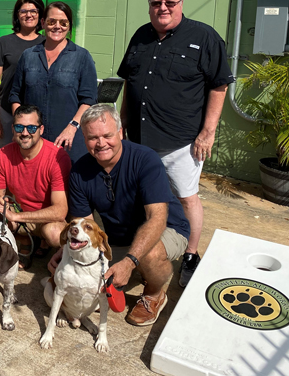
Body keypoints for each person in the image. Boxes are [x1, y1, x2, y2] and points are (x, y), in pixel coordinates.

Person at [117, 0, 234, 287]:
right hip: (140, 140)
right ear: (150, 6)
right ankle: (148, 248)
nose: (163, 8)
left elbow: (219, 85)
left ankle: (191, 254)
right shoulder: (141, 36)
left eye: (169, 2)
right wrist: (123, 120)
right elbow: (130, 80)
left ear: (181, 4)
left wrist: (207, 132)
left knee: (185, 199)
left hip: (181, 142)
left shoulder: (205, 37)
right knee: (143, 199)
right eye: (156, 3)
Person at [53, 104, 190, 326]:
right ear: (85, 138)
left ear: (120, 132)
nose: (101, 143)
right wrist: (68, 251)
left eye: (107, 135)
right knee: (86, 271)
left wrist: (130, 261)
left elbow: (157, 217)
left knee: (150, 254)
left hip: (167, 227)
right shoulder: (80, 171)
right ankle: (137, 264)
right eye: (92, 137)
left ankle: (154, 294)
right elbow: (85, 224)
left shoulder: (145, 159)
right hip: (119, 237)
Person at [9, 1, 97, 165]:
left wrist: (72, 127)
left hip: (68, 141)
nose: (57, 26)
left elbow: (89, 99)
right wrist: (19, 125)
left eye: (63, 23)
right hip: (33, 140)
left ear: (69, 26)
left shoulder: (82, 57)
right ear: (43, 23)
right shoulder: (28, 56)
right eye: (51, 21)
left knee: (67, 187)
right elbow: (15, 94)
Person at [0, 104, 71, 269]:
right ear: (13, 128)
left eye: (31, 128)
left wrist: (16, 217)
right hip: (19, 212)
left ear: (41, 129)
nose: (25, 133)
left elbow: (60, 211)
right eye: (19, 127)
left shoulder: (58, 156)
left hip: (45, 219)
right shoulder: (4, 154)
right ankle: (24, 242)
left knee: (54, 234)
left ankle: (55, 252)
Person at [0, 0, 46, 147]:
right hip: (8, 113)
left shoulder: (46, 43)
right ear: (17, 15)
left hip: (37, 115)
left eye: (34, 11)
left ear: (40, 15)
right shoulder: (4, 42)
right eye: (23, 11)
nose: (29, 15)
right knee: (8, 160)